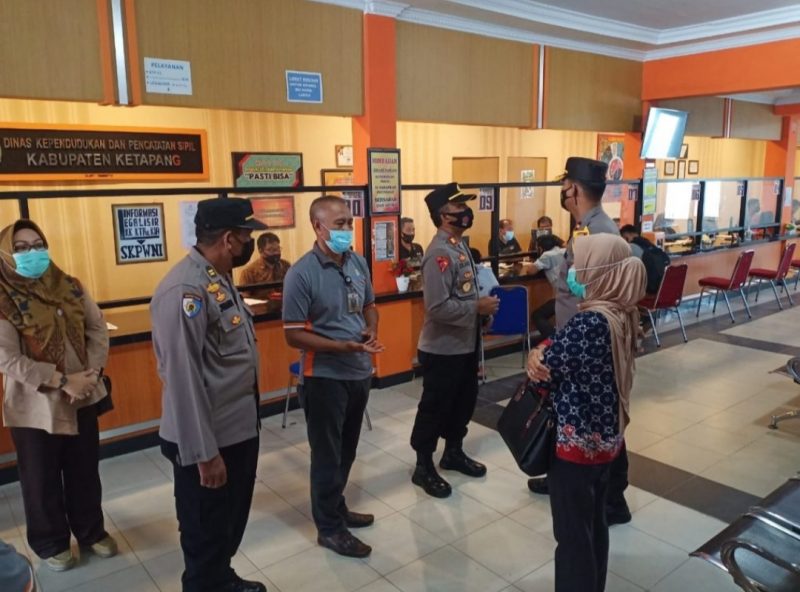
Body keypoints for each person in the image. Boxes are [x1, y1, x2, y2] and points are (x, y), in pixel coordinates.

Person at [151, 198, 267, 592]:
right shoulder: (186, 289)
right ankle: (206, 583)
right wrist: (204, 454)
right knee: (204, 530)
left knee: (226, 524)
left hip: (236, 429)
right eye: (247, 236)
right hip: (208, 440)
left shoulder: (217, 277)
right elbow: (182, 380)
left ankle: (221, 577)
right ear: (230, 239)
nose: (250, 243)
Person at [527, 233, 646, 592]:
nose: (573, 271)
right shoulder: (622, 312)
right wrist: (546, 349)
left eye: (580, 264)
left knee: (572, 536)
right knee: (593, 525)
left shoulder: (590, 322)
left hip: (576, 446)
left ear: (600, 270)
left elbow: (544, 369)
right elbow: (560, 348)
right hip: (605, 440)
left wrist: (537, 353)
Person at [0, 220, 116, 573]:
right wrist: (63, 380)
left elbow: (96, 326)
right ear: (5, 254)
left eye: (38, 244)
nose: (32, 253)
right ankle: (51, 542)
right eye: (21, 248)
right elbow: (7, 359)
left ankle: (91, 531)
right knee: (41, 479)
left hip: (82, 396)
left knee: (84, 471)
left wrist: (91, 373)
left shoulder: (70, 285)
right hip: (36, 406)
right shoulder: (3, 297)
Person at [526, 157, 633, 527]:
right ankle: (576, 479)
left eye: (564, 185)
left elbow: (601, 292)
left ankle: (611, 497)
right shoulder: (587, 226)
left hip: (586, 339)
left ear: (573, 189)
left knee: (598, 416)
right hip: (577, 336)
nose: (562, 191)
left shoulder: (598, 232)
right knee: (580, 413)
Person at [282, 195, 384, 559]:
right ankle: (329, 528)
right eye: (339, 224)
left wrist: (370, 330)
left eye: (349, 223)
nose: (346, 230)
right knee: (327, 455)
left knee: (347, 449)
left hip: (358, 371)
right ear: (318, 226)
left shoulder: (357, 262)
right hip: (324, 377)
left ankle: (337, 506)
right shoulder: (301, 273)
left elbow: (370, 306)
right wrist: (340, 347)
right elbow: (293, 335)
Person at [410, 182, 500, 498]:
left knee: (462, 403)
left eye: (465, 206)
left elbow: (464, 293)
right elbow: (436, 308)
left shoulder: (458, 246)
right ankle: (423, 466)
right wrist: (476, 308)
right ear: (443, 215)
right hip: (442, 348)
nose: (466, 212)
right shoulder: (439, 253)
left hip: (465, 344)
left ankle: (453, 452)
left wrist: (481, 315)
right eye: (459, 207)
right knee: (435, 407)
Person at [530, 234, 566, 340]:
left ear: (541, 248)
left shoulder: (547, 255)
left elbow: (530, 271)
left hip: (563, 297)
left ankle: (553, 340)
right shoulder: (564, 251)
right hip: (576, 295)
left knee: (537, 315)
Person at [620, 225, 671, 296]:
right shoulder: (648, 244)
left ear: (627, 235)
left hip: (647, 290)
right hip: (661, 288)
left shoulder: (632, 247)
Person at [239, 232, 291, 301]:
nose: (276, 252)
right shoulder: (249, 272)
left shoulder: (286, 266)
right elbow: (245, 298)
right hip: (261, 306)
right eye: (271, 250)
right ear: (261, 251)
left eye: (278, 249)